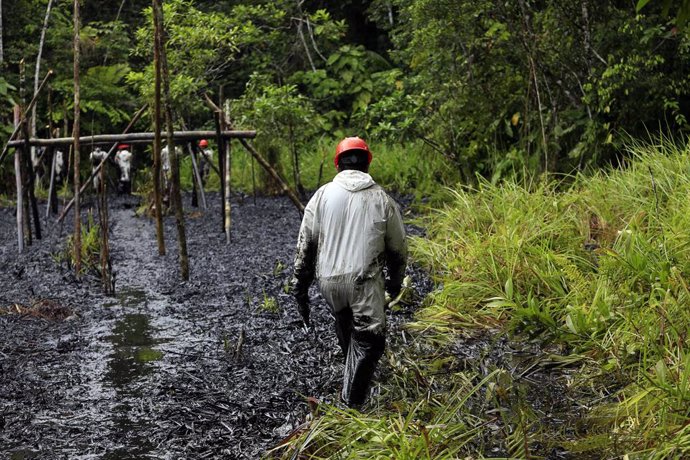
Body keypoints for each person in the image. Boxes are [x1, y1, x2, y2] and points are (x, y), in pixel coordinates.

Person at [292, 136, 407, 409]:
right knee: (371, 341)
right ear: (367, 162)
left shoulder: (321, 196)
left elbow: (305, 244)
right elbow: (398, 248)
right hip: (363, 281)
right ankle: (349, 405)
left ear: (338, 164)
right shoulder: (381, 198)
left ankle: (350, 375)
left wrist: (301, 287)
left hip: (328, 282)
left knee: (345, 322)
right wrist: (395, 282)